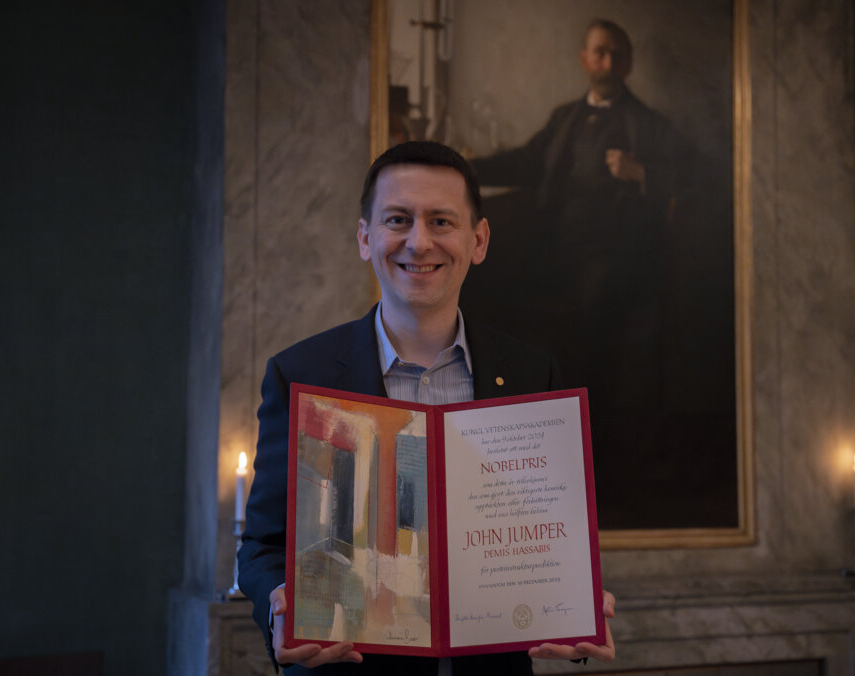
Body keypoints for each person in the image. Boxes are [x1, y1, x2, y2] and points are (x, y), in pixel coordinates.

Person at [237, 141, 615, 674]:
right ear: (365, 238)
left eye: (441, 221)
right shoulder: (302, 375)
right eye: (398, 219)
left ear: (477, 240)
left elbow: (545, 540)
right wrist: (280, 603)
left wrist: (575, 600)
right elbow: (261, 547)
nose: (419, 241)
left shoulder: (533, 374)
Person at [466, 19, 680, 527]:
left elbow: (698, 183)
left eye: (615, 54)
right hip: (554, 259)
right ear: (584, 59)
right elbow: (525, 162)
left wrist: (643, 174)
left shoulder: (649, 127)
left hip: (618, 266)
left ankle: (601, 484)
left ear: (626, 64)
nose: (606, 62)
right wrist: (465, 169)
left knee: (593, 357)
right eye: (598, 53)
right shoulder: (565, 119)